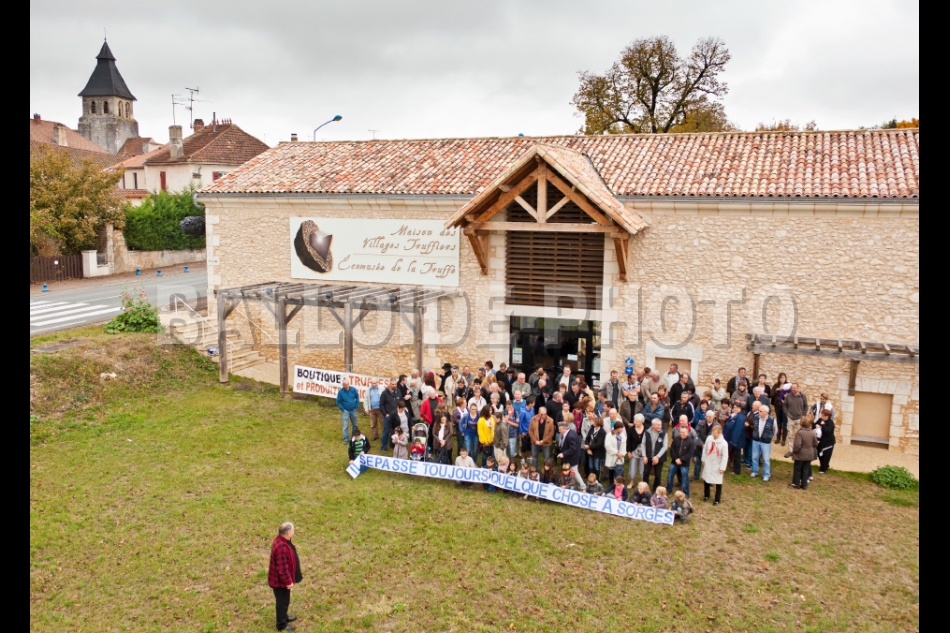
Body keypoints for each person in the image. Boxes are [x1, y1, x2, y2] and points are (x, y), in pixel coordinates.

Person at [268, 522, 302, 632]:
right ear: (287, 533)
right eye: (293, 530)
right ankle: (281, 624)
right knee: (282, 602)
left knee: (284, 601)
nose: (294, 532)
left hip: (280, 580)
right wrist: (288, 582)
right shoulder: (281, 547)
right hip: (280, 582)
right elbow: (282, 569)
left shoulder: (281, 540)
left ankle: (284, 617)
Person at [701, 424, 728, 505]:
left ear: (719, 433)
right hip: (709, 462)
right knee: (706, 480)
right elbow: (705, 449)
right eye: (713, 433)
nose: (714, 435)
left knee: (718, 483)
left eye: (715, 434)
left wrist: (722, 468)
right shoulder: (709, 439)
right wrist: (703, 459)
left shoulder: (724, 443)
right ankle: (706, 495)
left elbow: (725, 457)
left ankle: (717, 499)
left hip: (717, 464)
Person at [667, 424, 696, 498]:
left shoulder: (691, 442)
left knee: (685, 478)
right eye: (680, 432)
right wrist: (675, 458)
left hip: (684, 463)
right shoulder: (676, 439)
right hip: (674, 461)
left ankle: (686, 493)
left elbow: (690, 453)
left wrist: (681, 459)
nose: (682, 434)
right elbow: (672, 450)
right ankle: (669, 489)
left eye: (683, 432)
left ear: (687, 432)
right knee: (670, 475)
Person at [557, 420, 587, 491]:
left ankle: (583, 487)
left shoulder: (570, 436)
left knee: (574, 472)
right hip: (570, 457)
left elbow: (573, 448)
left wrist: (563, 454)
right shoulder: (570, 433)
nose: (559, 431)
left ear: (565, 428)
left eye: (560, 429)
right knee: (574, 472)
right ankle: (581, 486)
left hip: (572, 458)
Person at [790, 415, 818, 489]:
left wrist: (795, 451)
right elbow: (816, 443)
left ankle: (796, 483)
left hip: (800, 455)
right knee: (805, 469)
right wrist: (810, 447)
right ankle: (804, 484)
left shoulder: (800, 432)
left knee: (797, 469)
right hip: (809, 455)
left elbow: (798, 445)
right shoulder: (812, 432)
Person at [750, 405, 776, 481]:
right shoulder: (756, 418)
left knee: (766, 459)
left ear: (766, 412)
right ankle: (755, 471)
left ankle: (766, 475)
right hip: (756, 440)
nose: (759, 412)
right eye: (759, 410)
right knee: (754, 457)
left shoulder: (772, 420)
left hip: (766, 442)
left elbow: (775, 430)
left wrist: (769, 437)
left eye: (760, 411)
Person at [641, 418, 667, 491]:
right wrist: (644, 456)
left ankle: (656, 489)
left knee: (658, 474)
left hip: (659, 458)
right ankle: (645, 488)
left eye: (660, 425)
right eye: (658, 425)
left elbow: (665, 447)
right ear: (653, 425)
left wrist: (657, 457)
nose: (660, 426)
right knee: (646, 473)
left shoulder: (664, 433)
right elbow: (643, 444)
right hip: (648, 456)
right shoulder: (647, 432)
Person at [783, 383, 808, 452]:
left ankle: (797, 450)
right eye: (792, 388)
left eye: (794, 388)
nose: (793, 389)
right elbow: (784, 405)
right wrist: (786, 413)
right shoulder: (788, 396)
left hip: (799, 419)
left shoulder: (802, 396)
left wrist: (804, 415)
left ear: (798, 388)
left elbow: (806, 406)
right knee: (790, 435)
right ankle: (790, 451)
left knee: (799, 436)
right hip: (790, 418)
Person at [692, 410, 716, 481]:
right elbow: (696, 435)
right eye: (707, 417)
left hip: (711, 448)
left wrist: (708, 445)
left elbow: (717, 437)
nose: (708, 418)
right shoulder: (700, 423)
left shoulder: (717, 426)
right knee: (698, 462)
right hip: (700, 447)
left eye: (710, 417)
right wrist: (701, 443)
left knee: (709, 464)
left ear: (713, 417)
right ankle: (696, 476)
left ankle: (709, 478)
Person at [724, 403, 746, 475]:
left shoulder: (740, 418)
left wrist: (734, 441)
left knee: (737, 455)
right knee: (734, 454)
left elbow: (737, 431)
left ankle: (737, 470)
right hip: (730, 439)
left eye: (737, 408)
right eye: (734, 407)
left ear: (740, 409)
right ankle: (734, 468)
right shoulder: (733, 415)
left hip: (736, 440)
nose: (735, 409)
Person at [336, 378, 360, 444]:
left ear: (349, 384)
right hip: (345, 411)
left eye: (347, 384)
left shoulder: (353, 390)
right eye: (345, 385)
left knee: (355, 424)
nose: (346, 386)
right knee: (345, 425)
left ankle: (354, 437)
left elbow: (357, 397)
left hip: (353, 410)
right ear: (343, 385)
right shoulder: (341, 392)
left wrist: (356, 405)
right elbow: (338, 402)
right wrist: (343, 409)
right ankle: (346, 438)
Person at [584, 416, 606, 483]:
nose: (593, 423)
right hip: (590, 450)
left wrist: (589, 446)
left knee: (596, 466)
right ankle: (590, 479)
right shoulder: (592, 428)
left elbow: (599, 444)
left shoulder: (602, 432)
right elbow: (587, 439)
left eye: (594, 422)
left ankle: (596, 480)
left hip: (598, 452)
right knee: (590, 465)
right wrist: (588, 449)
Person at [379, 379, 399, 453]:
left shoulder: (398, 392)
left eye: (395, 384)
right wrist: (385, 414)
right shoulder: (384, 393)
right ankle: (383, 447)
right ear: (389, 384)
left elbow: (400, 402)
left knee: (396, 431)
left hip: (396, 415)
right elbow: (381, 405)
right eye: (393, 384)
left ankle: (394, 445)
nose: (394, 386)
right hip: (388, 416)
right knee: (386, 431)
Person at [626, 413, 647, 484]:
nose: (635, 423)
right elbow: (628, 441)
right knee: (632, 467)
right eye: (634, 421)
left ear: (642, 422)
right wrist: (629, 451)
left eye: (637, 421)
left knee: (642, 468)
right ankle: (631, 481)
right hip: (633, 451)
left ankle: (642, 482)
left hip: (643, 452)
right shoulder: (631, 429)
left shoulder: (646, 429)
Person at [815, 408, 836, 474]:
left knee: (826, 456)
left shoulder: (831, 423)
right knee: (820, 454)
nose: (821, 416)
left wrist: (823, 425)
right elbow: (815, 425)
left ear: (827, 416)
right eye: (821, 414)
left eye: (823, 415)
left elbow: (827, 431)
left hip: (828, 443)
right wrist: (816, 425)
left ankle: (823, 469)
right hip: (821, 441)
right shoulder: (820, 420)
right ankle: (824, 465)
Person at [771, 373, 790, 446]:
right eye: (781, 378)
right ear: (779, 379)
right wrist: (777, 390)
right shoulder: (776, 385)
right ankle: (778, 438)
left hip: (786, 407)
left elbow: (792, 394)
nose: (782, 379)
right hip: (777, 406)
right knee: (778, 422)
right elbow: (771, 394)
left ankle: (784, 439)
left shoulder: (788, 385)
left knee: (785, 423)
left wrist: (787, 395)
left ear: (785, 378)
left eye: (783, 378)